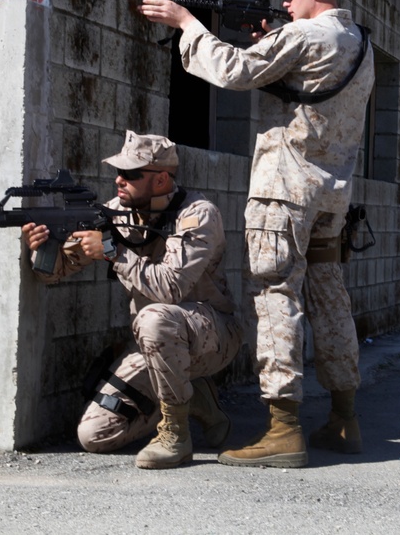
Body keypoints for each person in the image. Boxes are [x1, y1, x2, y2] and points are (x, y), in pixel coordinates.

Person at [137, 0, 375, 468]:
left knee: (274, 296)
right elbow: (303, 89)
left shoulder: (307, 37)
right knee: (330, 297)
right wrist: (272, 36)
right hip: (331, 191)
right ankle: (344, 416)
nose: (286, 3)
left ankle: (284, 430)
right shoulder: (358, 40)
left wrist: (186, 24)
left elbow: (233, 71)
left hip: (284, 190)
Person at [21, 132, 243, 470]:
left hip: (212, 337)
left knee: (156, 318)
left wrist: (112, 252)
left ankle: (175, 433)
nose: (119, 180)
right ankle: (193, 397)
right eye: (118, 172)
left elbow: (170, 289)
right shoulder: (112, 212)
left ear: (161, 180)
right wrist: (41, 250)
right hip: (153, 347)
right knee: (94, 435)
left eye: (131, 174)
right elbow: (55, 274)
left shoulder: (197, 215)